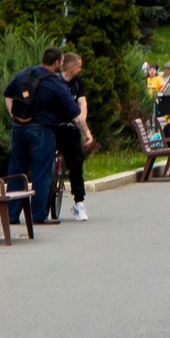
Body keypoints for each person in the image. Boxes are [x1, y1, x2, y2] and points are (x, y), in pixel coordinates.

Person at [4, 46, 79, 226]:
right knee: (41, 172)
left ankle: (11, 215)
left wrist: (14, 117)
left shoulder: (25, 73)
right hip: (42, 130)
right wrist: (85, 130)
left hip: (18, 128)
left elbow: (7, 93)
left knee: (16, 170)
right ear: (57, 63)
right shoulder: (55, 82)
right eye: (61, 61)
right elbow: (73, 111)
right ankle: (38, 215)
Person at [58, 51, 94, 222]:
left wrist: (82, 120)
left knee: (76, 162)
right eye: (79, 66)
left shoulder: (78, 83)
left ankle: (79, 202)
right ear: (71, 66)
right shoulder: (56, 81)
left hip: (72, 127)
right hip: (54, 126)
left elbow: (82, 103)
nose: (81, 69)